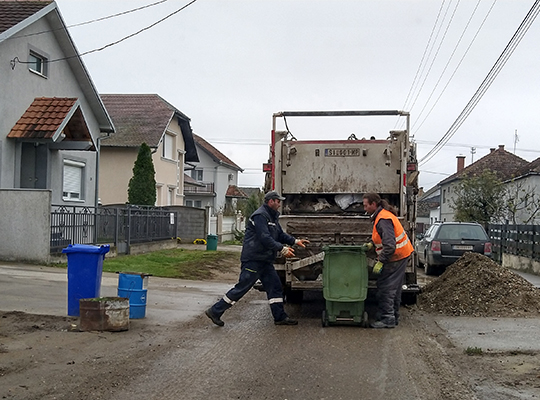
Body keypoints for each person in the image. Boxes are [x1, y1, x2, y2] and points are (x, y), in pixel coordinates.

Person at [205, 190, 310, 327]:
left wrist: (295, 241)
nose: (279, 204)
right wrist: (281, 249)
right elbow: (264, 238)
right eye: (278, 201)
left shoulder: (271, 217)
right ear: (270, 201)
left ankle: (280, 317)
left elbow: (280, 235)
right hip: (254, 260)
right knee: (242, 288)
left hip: (265, 261)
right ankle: (215, 311)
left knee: (275, 287)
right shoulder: (260, 216)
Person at [362, 192, 414, 329]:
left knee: (386, 287)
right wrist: (371, 244)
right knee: (394, 289)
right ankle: (393, 316)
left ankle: (387, 318)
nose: (364, 208)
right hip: (401, 255)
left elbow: (390, 245)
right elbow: (382, 237)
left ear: (374, 204)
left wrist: (381, 261)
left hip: (395, 257)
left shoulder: (383, 219)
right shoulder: (382, 215)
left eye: (366, 205)